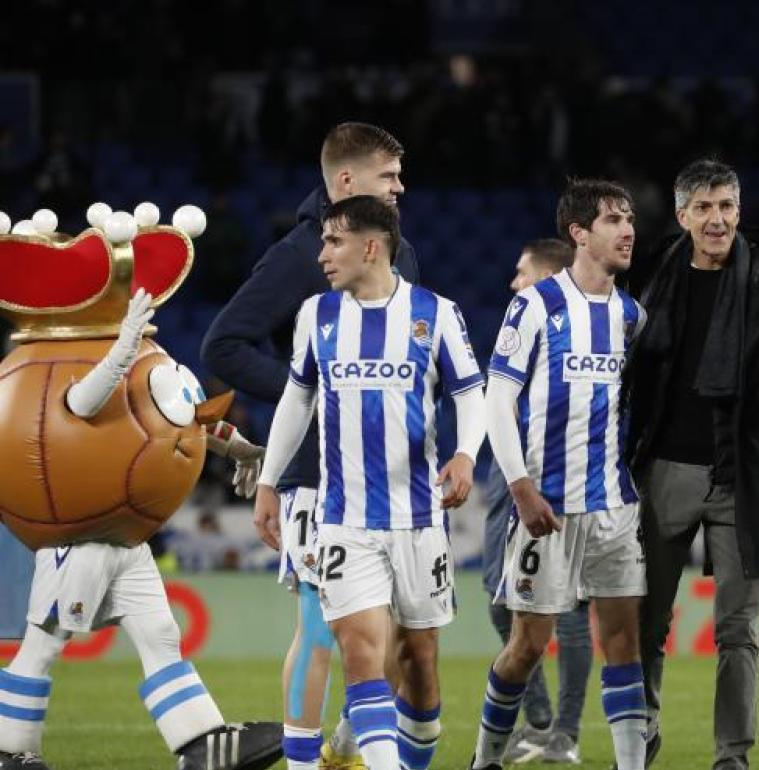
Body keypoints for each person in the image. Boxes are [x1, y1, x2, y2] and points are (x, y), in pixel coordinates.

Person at [202, 121, 420, 770]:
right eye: (388, 175)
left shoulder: (399, 252)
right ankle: (302, 763)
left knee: (404, 635)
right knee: (323, 629)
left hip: (393, 475)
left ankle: (348, 746)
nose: (400, 185)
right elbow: (225, 344)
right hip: (319, 473)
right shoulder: (299, 254)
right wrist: (315, 391)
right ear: (347, 181)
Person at [253, 195, 484, 770]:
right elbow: (295, 400)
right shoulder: (317, 316)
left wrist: (464, 453)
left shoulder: (436, 313)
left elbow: (469, 393)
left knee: (419, 663)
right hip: (344, 519)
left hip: (418, 520)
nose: (323, 254)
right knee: (359, 651)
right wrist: (269, 482)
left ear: (371, 246)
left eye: (333, 242)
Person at [0, 292, 278, 770]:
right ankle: (8, 747)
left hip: (128, 539)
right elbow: (80, 404)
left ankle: (200, 744)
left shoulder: (146, 363)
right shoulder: (73, 364)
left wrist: (245, 452)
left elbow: (187, 418)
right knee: (44, 643)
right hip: (78, 536)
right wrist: (125, 343)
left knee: (161, 634)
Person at [623, 158, 759, 770]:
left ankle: (732, 756)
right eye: (704, 208)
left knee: (738, 631)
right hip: (665, 472)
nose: (717, 219)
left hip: (744, 477)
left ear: (739, 211)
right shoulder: (652, 273)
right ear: (682, 216)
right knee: (646, 622)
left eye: (727, 206)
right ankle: (642, 733)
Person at [467, 179, 647, 770]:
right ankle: (485, 759)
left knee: (624, 642)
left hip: (614, 507)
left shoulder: (630, 314)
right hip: (547, 505)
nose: (627, 230)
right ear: (580, 233)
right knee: (526, 646)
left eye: (630, 219)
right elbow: (499, 398)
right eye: (613, 220)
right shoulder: (538, 304)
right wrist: (520, 487)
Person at [479, 239, 592, 765]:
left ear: (548, 275)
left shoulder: (575, 325)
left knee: (567, 608)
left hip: (557, 475)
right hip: (508, 475)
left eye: (521, 272)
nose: (512, 283)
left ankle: (563, 733)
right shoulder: (519, 327)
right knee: (499, 598)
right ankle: (539, 719)